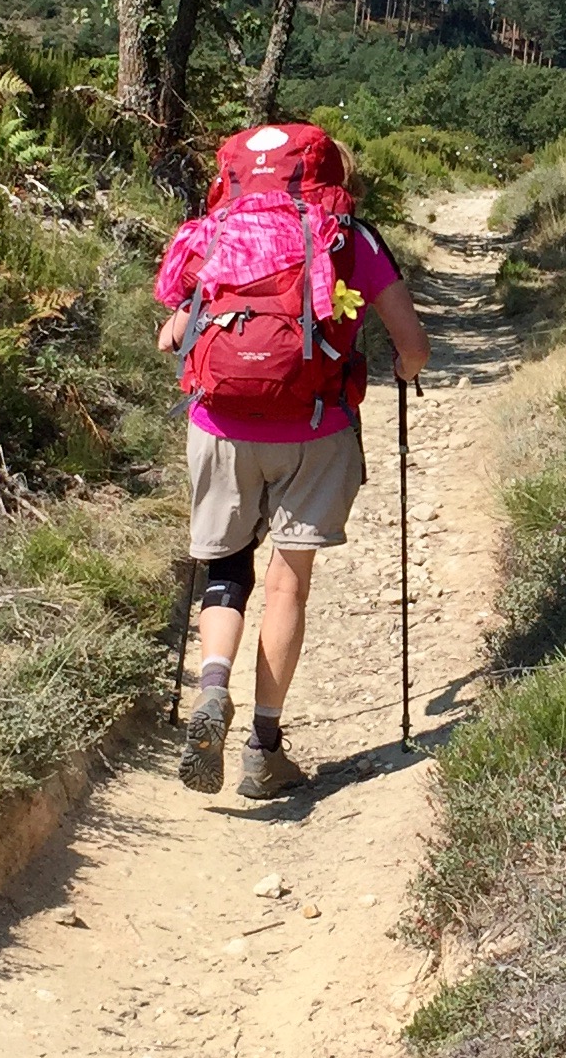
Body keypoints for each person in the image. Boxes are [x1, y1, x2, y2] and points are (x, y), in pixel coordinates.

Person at [154, 122, 431, 800]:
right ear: (330, 174)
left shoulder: (217, 231)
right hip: (313, 427)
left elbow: (171, 334)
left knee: (226, 568)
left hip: (219, 427)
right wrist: (404, 368)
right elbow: (412, 343)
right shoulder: (351, 237)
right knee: (287, 585)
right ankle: (263, 748)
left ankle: (211, 685)